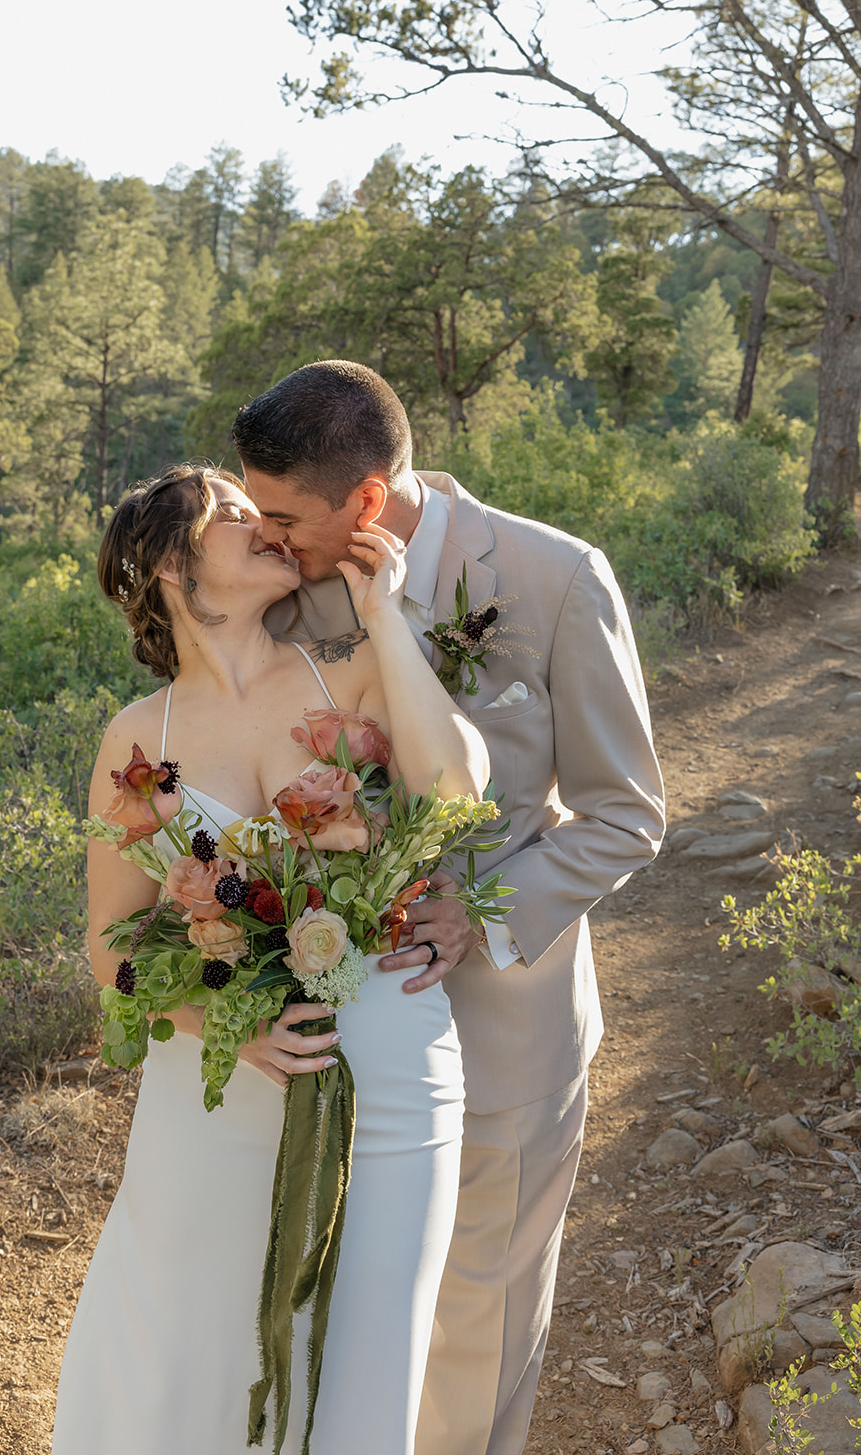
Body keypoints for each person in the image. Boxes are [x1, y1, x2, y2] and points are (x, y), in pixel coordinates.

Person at [232, 361, 666, 1455]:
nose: (267, 538)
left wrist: (478, 908)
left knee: (477, 1319)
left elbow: (626, 813)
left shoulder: (554, 578)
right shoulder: (286, 591)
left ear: (366, 501)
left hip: (504, 1034)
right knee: (348, 1304)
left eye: (284, 515)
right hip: (338, 1032)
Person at [51, 463, 490, 1455]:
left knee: (368, 1352)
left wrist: (384, 617)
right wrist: (221, 1021)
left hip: (386, 1057)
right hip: (215, 1095)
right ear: (169, 561)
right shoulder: (136, 742)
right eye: (231, 511)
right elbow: (109, 940)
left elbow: (454, 790)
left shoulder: (354, 669)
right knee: (194, 1347)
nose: (264, 523)